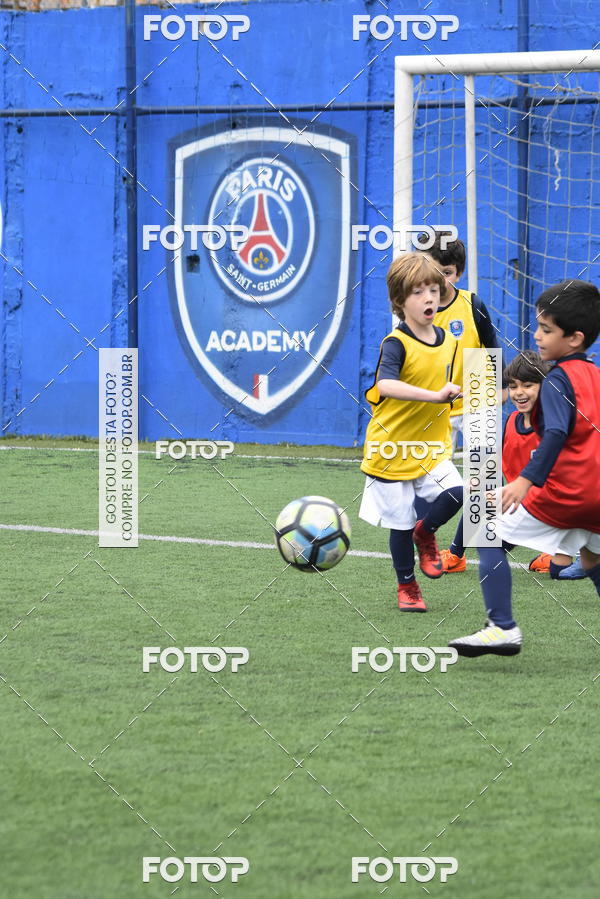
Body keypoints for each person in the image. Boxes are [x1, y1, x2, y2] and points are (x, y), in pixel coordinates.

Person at [449, 280, 600, 656]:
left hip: (566, 494)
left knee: (487, 532)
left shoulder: (556, 379)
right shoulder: (596, 376)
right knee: (593, 558)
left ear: (575, 338)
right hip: (597, 496)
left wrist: (523, 482)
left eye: (547, 330)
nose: (538, 335)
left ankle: (501, 627)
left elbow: (556, 433)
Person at [359, 253, 463, 613]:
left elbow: (444, 382)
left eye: (433, 289)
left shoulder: (449, 340)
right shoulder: (396, 342)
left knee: (457, 492)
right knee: (399, 524)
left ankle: (427, 531)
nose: (429, 298)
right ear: (400, 301)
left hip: (430, 446)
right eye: (418, 292)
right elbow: (386, 385)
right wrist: (435, 395)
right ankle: (407, 586)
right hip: (389, 447)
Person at [441, 350, 583, 579]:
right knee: (483, 495)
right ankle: (455, 555)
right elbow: (503, 458)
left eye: (528, 385)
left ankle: (563, 551)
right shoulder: (511, 422)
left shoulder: (554, 427)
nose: (519, 392)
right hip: (524, 503)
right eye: (513, 386)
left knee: (560, 572)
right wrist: (481, 480)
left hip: (556, 508)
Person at [414, 231, 505, 571]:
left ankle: (458, 553)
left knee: (484, 478)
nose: (438, 280)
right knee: (427, 479)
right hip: (435, 402)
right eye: (431, 271)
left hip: (478, 394)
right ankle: (428, 540)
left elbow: (492, 349)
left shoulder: (472, 304)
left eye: (446, 272)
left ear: (458, 273)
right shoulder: (414, 309)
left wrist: (492, 391)